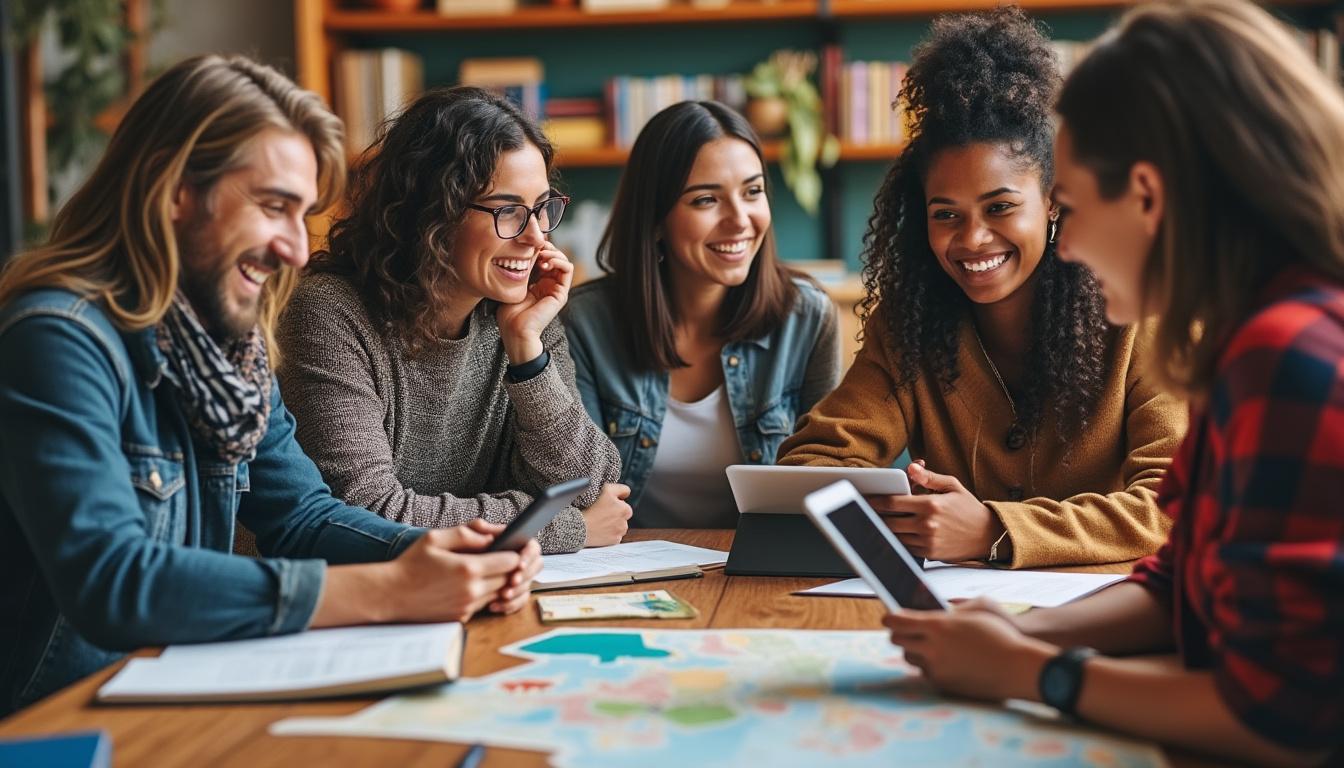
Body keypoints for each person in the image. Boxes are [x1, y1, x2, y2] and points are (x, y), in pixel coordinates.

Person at [0, 56, 540, 716]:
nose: (293, 247)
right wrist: (391, 590)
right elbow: (113, 581)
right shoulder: (57, 337)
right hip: (54, 725)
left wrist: (441, 557)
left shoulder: (229, 348)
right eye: (274, 207)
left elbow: (301, 517)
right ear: (174, 189)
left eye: (303, 213)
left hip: (170, 700)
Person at [884, 1, 1344, 764]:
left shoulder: (1286, 358)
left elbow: (1286, 719)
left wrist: (1035, 672)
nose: (1068, 246)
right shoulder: (1251, 342)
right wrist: (1018, 630)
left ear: (1147, 196)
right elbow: (1177, 585)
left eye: (1066, 206)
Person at [778, 8, 1186, 568]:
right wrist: (903, 515)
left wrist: (995, 530)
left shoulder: (1141, 311)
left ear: (1052, 203)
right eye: (945, 214)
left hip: (1116, 606)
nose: (971, 238)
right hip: (964, 610)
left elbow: (1172, 506)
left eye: (1000, 207)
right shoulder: (909, 327)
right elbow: (813, 462)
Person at [276, 87, 628, 554]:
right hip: (340, 603)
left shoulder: (524, 315)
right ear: (432, 213)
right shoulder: (328, 314)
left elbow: (589, 485)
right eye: (508, 211)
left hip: (468, 591)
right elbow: (365, 513)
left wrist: (527, 351)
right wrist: (565, 529)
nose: (537, 236)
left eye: (543, 208)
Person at [563, 101, 841, 528]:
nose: (739, 221)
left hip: (761, 567)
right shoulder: (585, 324)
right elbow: (582, 491)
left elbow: (828, 481)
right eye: (706, 199)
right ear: (655, 220)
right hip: (625, 570)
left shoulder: (806, 317)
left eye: (752, 192)